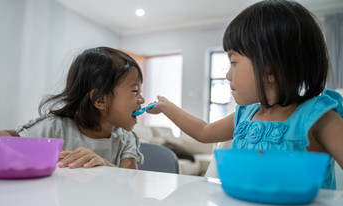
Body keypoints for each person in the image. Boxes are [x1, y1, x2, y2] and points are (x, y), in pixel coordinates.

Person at [147, 0, 343, 189]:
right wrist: (166, 107)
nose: (227, 74)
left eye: (234, 62)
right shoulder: (246, 114)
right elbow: (204, 131)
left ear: (272, 69)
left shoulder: (318, 119)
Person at [0, 47, 145, 169]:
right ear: (100, 100)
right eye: (135, 91)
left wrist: (104, 164)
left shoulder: (126, 139)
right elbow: (0, 138)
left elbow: (129, 184)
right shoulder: (54, 128)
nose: (142, 99)